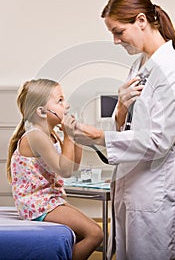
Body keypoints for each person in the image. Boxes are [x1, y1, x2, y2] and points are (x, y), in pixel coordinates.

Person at [66, 0, 175, 260]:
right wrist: (121, 108)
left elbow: (157, 141)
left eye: (118, 32)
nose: (115, 41)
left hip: (157, 188)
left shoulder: (172, 71)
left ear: (141, 21)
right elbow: (130, 129)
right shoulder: (141, 65)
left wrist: (96, 135)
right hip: (134, 185)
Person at [6, 78, 103, 260]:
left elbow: (72, 167)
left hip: (49, 200)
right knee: (95, 233)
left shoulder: (50, 135)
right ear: (42, 111)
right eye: (60, 100)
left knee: (85, 233)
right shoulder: (35, 136)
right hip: (37, 204)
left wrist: (76, 138)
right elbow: (64, 170)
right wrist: (67, 134)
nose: (66, 105)